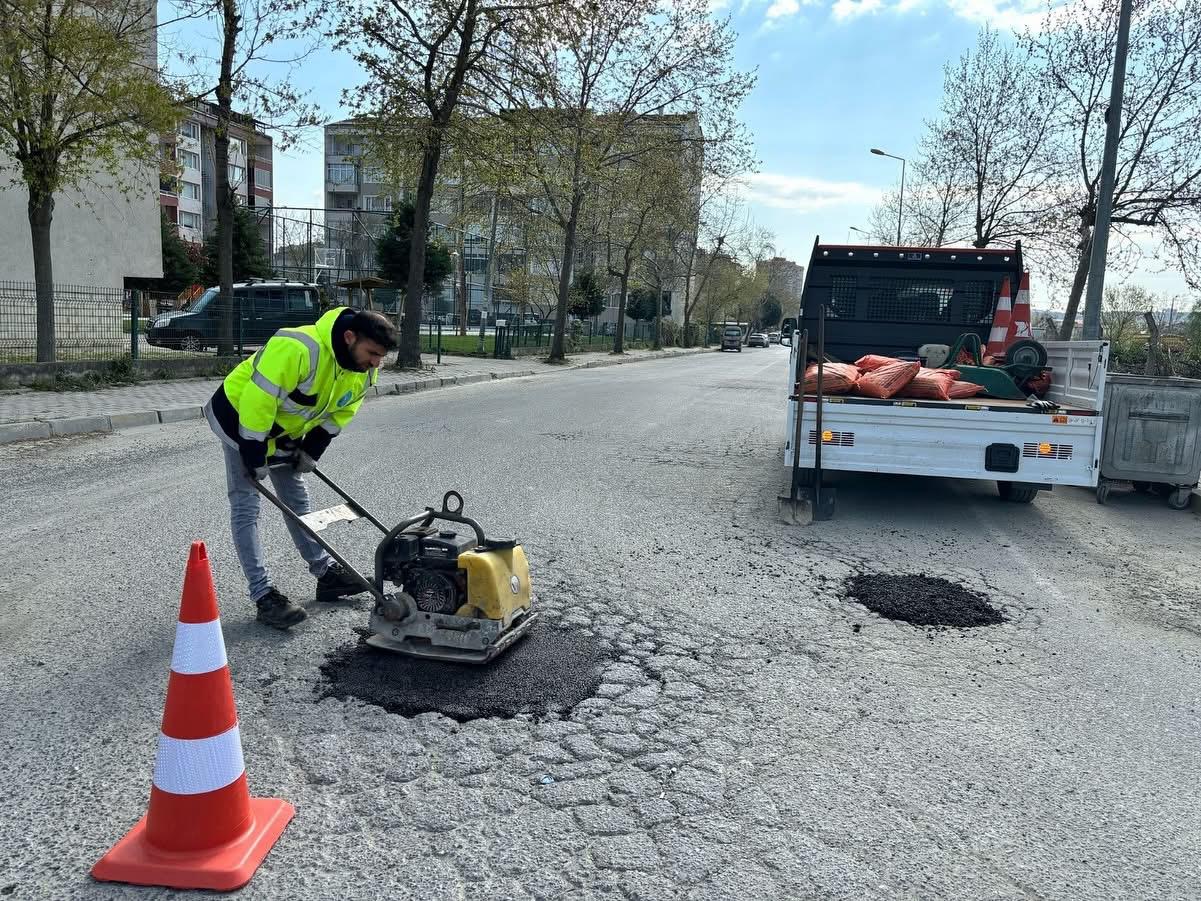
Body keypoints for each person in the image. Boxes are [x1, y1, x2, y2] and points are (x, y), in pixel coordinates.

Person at [204, 306, 398, 629]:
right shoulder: (297, 348)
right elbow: (258, 400)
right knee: (246, 507)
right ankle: (263, 596)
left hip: (284, 431)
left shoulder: (363, 368)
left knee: (296, 499)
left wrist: (312, 448)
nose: (376, 363)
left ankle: (325, 575)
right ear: (350, 337)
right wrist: (253, 455)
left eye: (381, 357)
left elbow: (343, 411)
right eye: (372, 353)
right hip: (241, 422)